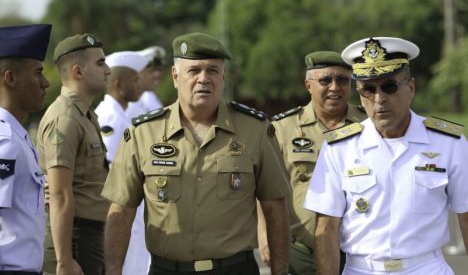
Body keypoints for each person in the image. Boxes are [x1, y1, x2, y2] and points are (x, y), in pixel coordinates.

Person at [102, 32, 291, 275]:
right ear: (175, 76)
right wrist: (113, 270)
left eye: (213, 70)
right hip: (167, 269)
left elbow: (275, 207)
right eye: (194, 71)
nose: (204, 79)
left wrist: (280, 271)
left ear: (224, 77)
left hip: (235, 269)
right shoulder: (143, 133)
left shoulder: (255, 131)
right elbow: (121, 211)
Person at [304, 37, 468, 275]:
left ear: (410, 88)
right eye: (369, 89)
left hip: (426, 268)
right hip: (361, 269)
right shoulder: (340, 147)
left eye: (389, 86)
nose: (379, 99)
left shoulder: (449, 143)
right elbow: (326, 229)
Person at [258, 51, 367, 274]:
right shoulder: (282, 128)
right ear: (309, 85)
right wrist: (263, 233)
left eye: (342, 80)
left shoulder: (368, 125)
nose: (335, 87)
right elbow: (265, 187)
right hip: (301, 251)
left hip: (360, 251)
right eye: (326, 80)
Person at [37, 33, 111, 275]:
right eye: (100, 64)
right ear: (78, 72)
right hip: (74, 239)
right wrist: (64, 260)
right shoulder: (65, 118)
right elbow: (59, 194)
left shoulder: (83, 115)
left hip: (86, 236)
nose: (108, 70)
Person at [0, 24, 51, 274]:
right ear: (10, 78)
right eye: (38, 73)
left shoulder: (18, 135)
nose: (46, 83)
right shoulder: (5, 140)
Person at [94, 51, 151, 275]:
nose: (140, 85)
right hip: (120, 217)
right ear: (119, 84)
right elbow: (111, 177)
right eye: (135, 80)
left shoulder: (123, 115)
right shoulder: (110, 118)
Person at [125, 45, 166, 118]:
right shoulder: (128, 106)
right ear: (137, 72)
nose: (157, 74)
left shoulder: (150, 98)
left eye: (159, 70)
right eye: (151, 71)